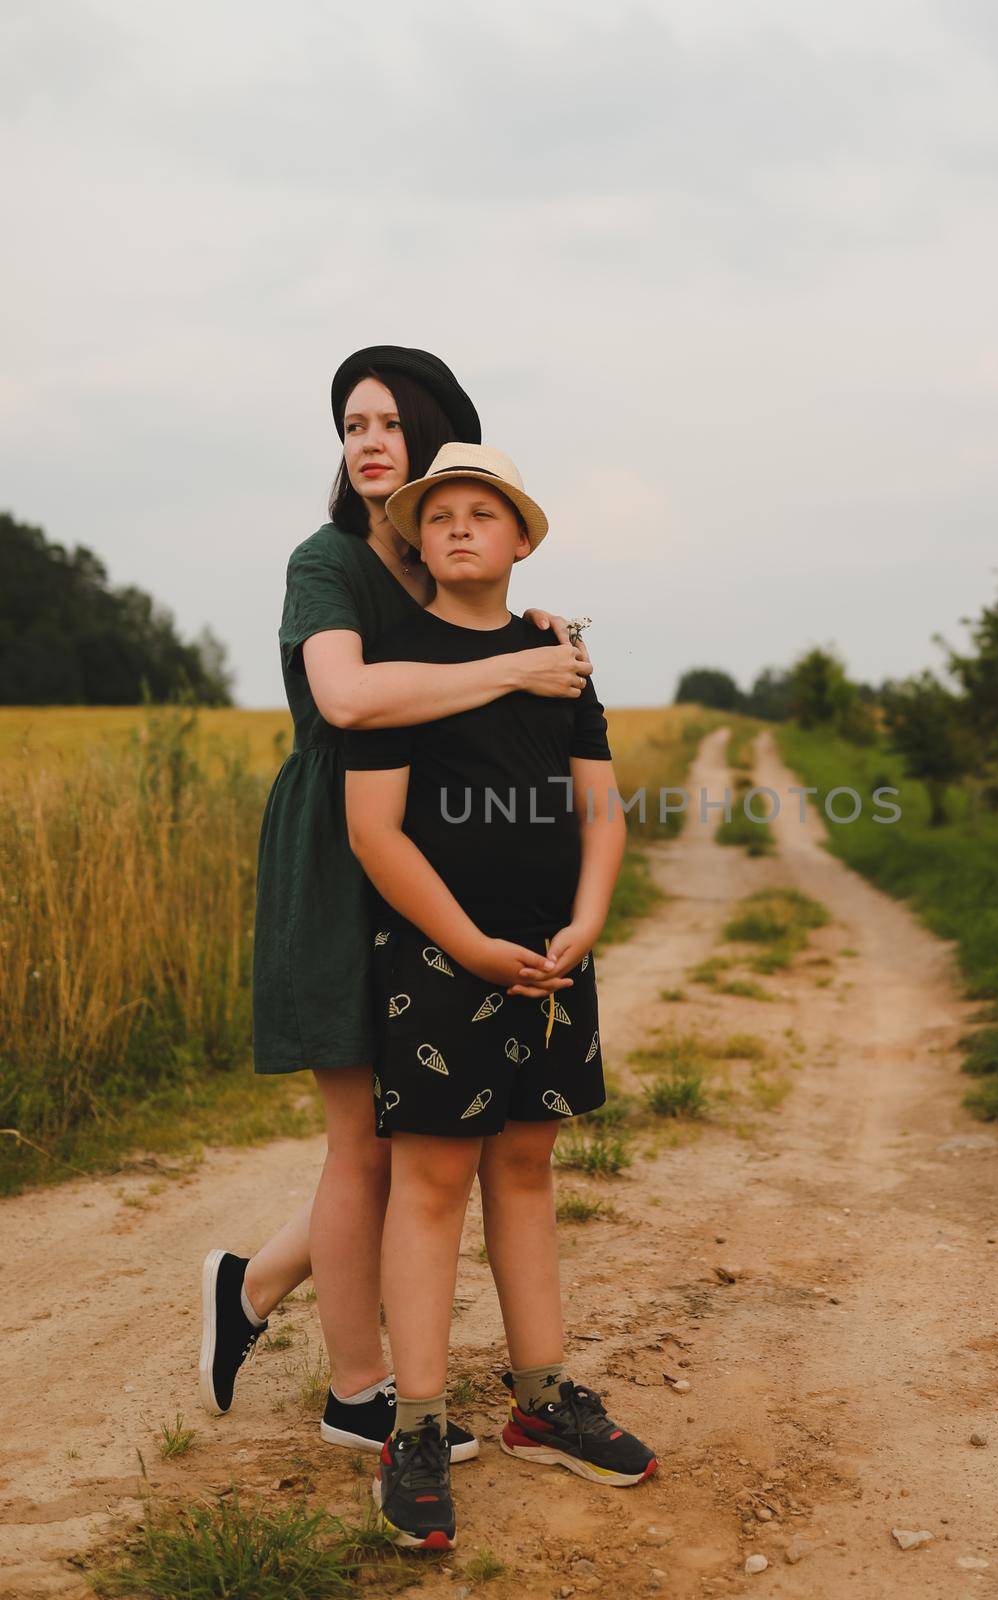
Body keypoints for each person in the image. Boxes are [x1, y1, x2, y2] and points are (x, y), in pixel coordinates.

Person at [199, 348, 592, 1467]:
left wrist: (526, 640)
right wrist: (515, 672)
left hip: (442, 854)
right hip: (342, 844)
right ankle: (358, 1394)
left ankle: (258, 1281)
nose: (366, 440)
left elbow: (488, 650)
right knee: (367, 1137)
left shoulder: (442, 563)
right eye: (349, 423)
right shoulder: (325, 562)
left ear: (437, 441)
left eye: (388, 422)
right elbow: (347, 694)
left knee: (412, 1128)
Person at [343, 441, 657, 1551]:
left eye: (485, 513)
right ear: (419, 540)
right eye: (440, 516)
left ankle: (541, 1398)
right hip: (441, 959)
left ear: (522, 540)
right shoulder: (404, 663)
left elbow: (602, 814)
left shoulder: (558, 659)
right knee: (429, 1183)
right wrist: (468, 944)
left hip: (553, 957)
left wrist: (587, 918)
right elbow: (374, 830)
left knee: (525, 1165)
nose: (460, 528)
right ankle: (416, 1429)